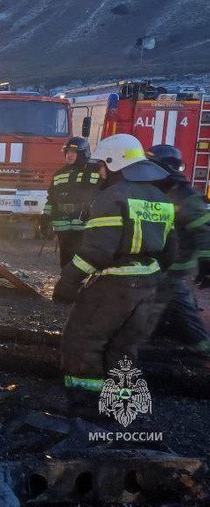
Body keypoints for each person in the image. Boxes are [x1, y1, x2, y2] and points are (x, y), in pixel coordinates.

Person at [52, 134, 176, 417]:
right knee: (123, 350)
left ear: (114, 164)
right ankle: (120, 411)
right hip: (150, 286)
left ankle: (85, 409)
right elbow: (170, 254)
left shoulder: (112, 198)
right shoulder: (160, 198)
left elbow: (96, 251)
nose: (99, 172)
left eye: (101, 167)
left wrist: (68, 281)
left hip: (114, 285)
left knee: (83, 342)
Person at [144, 144, 209, 350]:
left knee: (168, 304)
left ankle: (202, 347)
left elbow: (204, 231)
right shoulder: (158, 192)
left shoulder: (186, 197)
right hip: (162, 262)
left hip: (175, 265)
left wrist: (207, 262)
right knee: (161, 303)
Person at [43, 137, 102, 267]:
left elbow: (102, 196)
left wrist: (93, 211)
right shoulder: (58, 174)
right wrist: (45, 217)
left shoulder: (95, 171)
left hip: (83, 224)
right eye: (68, 152)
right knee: (65, 260)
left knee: (83, 260)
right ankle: (67, 284)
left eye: (74, 152)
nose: (69, 155)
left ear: (83, 153)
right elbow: (51, 199)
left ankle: (81, 285)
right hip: (62, 224)